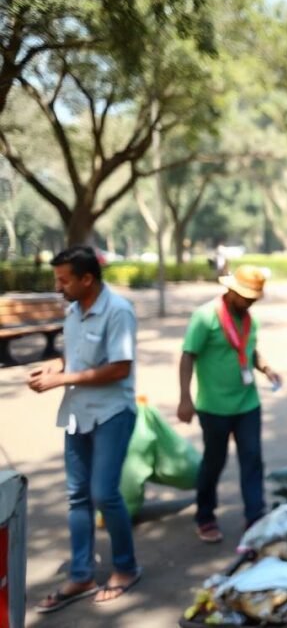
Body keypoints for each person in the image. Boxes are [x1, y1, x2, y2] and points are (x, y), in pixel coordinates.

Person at [30, 246, 142, 611]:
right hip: (79, 413)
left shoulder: (119, 311)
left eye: (64, 280)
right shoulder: (73, 312)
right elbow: (75, 356)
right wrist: (54, 368)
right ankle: (81, 575)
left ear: (87, 279)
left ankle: (126, 568)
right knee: (77, 495)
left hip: (112, 413)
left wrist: (65, 378)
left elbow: (119, 368)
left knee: (103, 493)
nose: (58, 287)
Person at [178, 266, 281, 543]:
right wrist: (185, 398)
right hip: (214, 406)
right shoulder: (205, 317)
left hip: (248, 404)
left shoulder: (248, 319)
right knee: (213, 461)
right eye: (246, 297)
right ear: (231, 290)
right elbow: (188, 356)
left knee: (252, 460)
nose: (250, 303)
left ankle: (255, 517)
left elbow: (248, 349)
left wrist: (266, 367)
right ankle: (205, 515)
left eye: (253, 299)